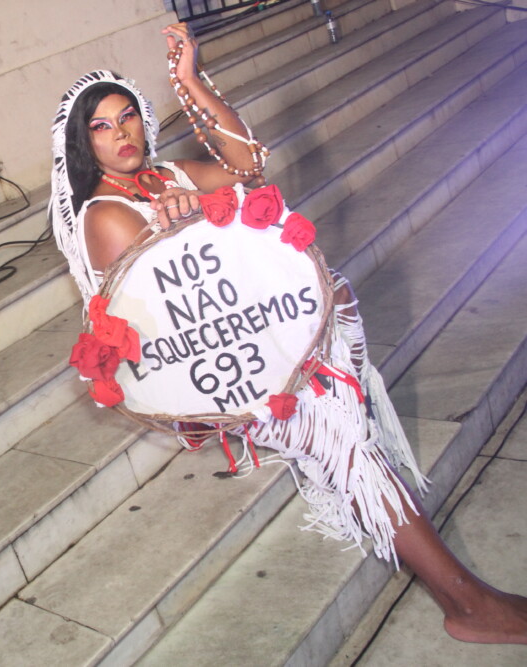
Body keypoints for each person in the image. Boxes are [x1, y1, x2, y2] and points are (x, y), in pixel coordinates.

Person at [49, 22, 527, 644]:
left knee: (350, 422)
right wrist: (192, 220)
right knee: (346, 444)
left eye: (128, 116)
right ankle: (467, 602)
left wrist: (190, 81)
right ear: (84, 145)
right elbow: (176, 321)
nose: (122, 134)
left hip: (274, 342)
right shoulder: (106, 215)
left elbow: (247, 164)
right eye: (102, 127)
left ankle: (463, 593)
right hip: (239, 377)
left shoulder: (168, 174)